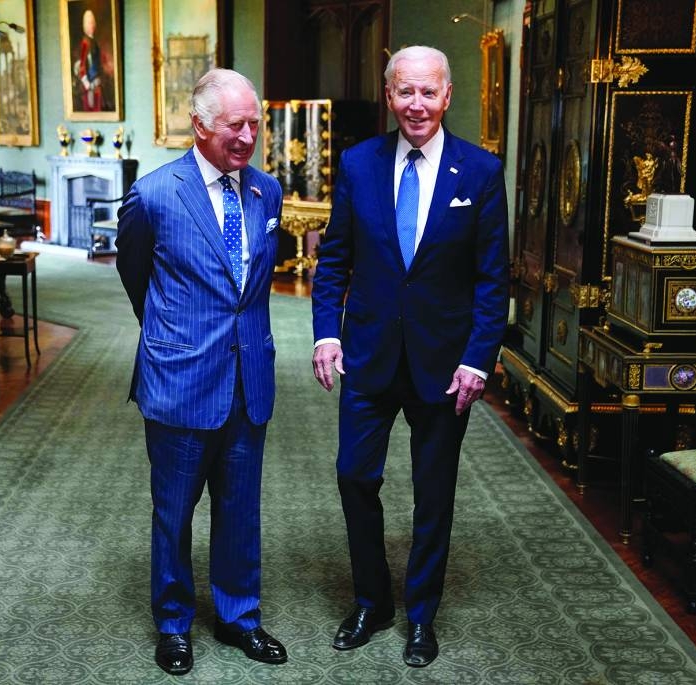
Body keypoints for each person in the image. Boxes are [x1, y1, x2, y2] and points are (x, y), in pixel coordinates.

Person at [311, 45, 509, 668]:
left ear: (448, 96)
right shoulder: (357, 164)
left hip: (444, 366)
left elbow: (492, 279)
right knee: (353, 476)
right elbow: (334, 260)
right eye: (404, 92)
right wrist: (326, 333)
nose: (416, 104)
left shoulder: (479, 172)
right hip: (368, 357)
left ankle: (421, 614)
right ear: (389, 95)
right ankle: (372, 601)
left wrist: (478, 358)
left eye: (428, 92)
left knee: (434, 494)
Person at [115, 68, 287, 677]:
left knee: (242, 507)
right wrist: (172, 333)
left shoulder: (268, 192)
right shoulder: (156, 194)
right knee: (175, 509)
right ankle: (174, 623)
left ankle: (240, 618)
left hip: (249, 380)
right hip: (180, 379)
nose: (247, 137)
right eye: (234, 125)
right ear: (200, 125)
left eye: (254, 124)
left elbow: (255, 288)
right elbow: (136, 273)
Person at [75, 9, 104, 111]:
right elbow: (82, 65)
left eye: (92, 22)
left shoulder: (93, 41)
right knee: (92, 110)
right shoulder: (85, 42)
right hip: (90, 86)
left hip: (96, 84)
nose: (91, 25)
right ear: (85, 25)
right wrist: (88, 84)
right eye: (89, 23)